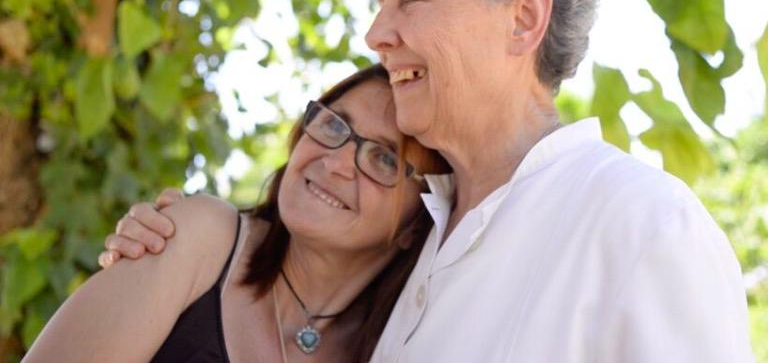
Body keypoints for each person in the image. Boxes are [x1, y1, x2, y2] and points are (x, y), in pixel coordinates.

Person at [101, 0, 755, 361]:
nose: (376, 35)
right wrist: (172, 241)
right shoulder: (413, 242)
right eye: (381, 3)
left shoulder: (642, 222)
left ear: (523, 19)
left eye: (410, 1)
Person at [24, 64, 450, 363]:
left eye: (384, 159)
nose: (336, 162)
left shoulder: (398, 348)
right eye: (335, 125)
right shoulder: (202, 236)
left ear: (417, 223)